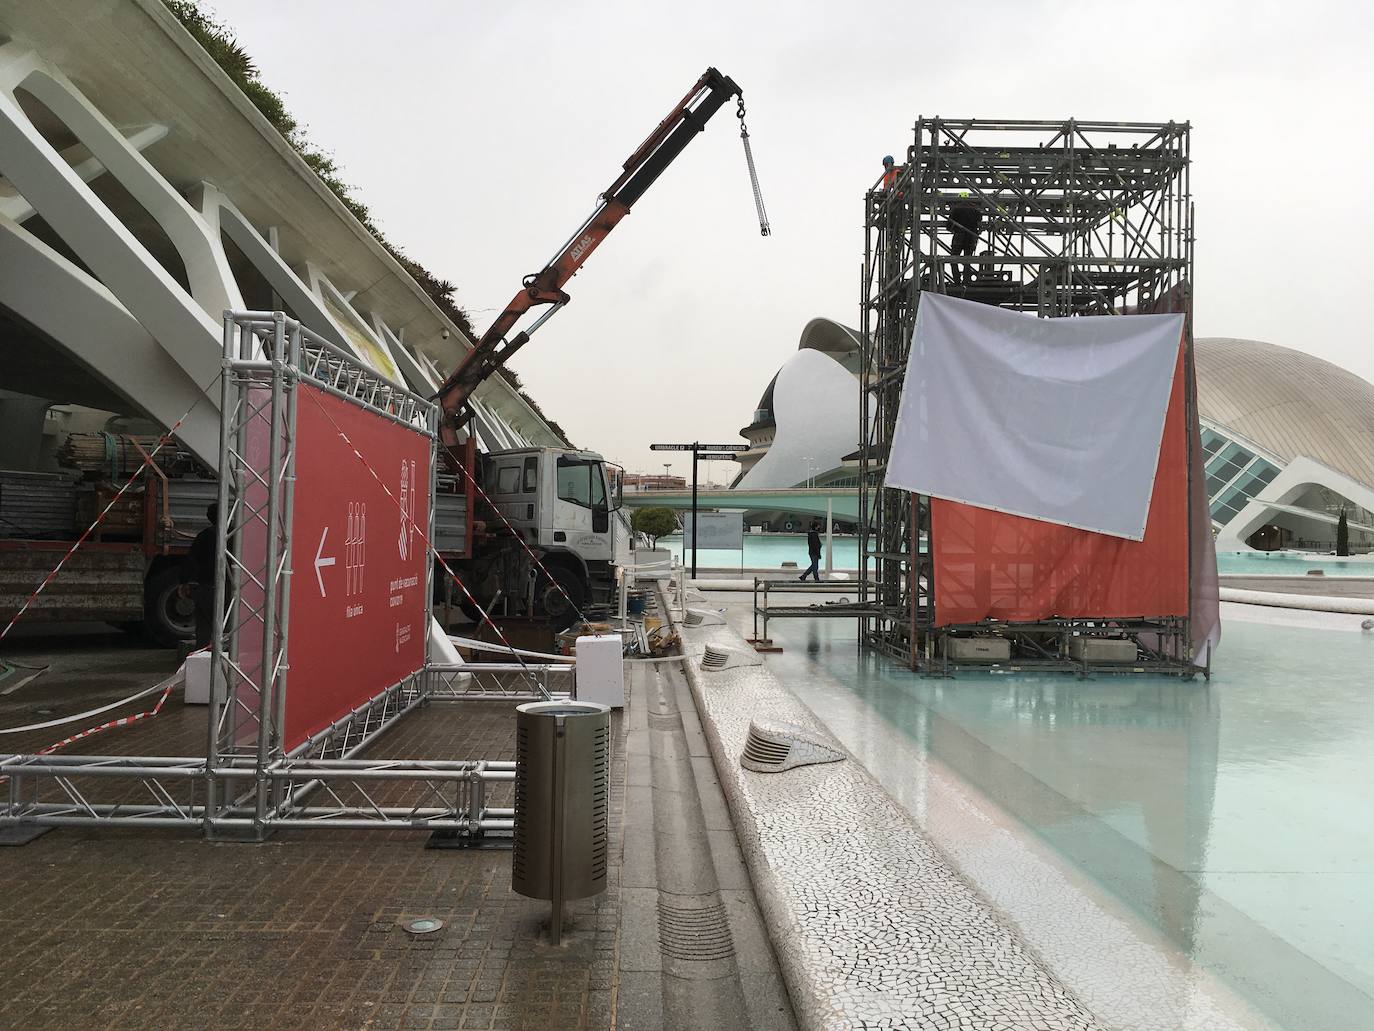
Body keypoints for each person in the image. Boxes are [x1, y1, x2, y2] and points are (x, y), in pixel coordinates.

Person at [179, 502, 218, 649]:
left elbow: (191, 560)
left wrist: (184, 581)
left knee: (204, 625)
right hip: (228, 586)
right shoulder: (235, 535)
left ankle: (203, 651)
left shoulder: (204, 536)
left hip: (206, 587)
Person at [947, 192, 983, 286]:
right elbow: (980, 221)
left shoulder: (956, 208)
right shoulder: (975, 209)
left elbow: (949, 224)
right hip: (971, 238)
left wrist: (953, 229)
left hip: (959, 237)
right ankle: (966, 281)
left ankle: (957, 281)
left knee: (953, 259)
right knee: (967, 260)